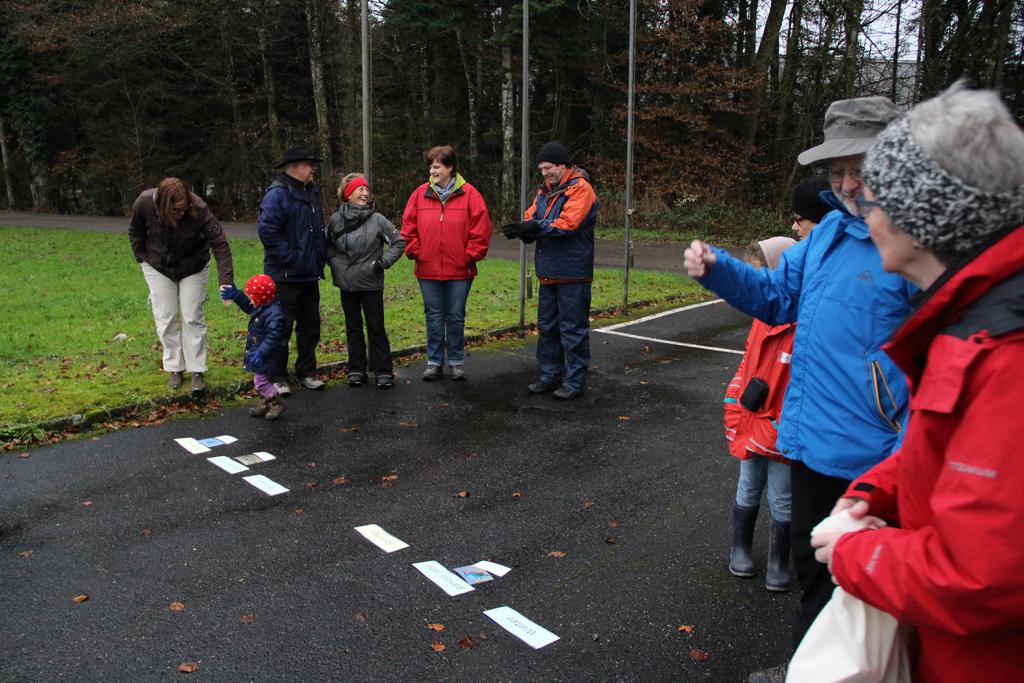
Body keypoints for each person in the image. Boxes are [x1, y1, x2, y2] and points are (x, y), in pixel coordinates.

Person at [683, 96, 916, 662]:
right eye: (837, 172)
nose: (847, 184)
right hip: (809, 443)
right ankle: (804, 669)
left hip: (877, 460)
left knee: (870, 597)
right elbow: (777, 297)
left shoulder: (915, 240)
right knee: (813, 579)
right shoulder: (829, 231)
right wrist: (719, 268)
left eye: (860, 169)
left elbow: (940, 363)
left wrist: (910, 456)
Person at [812, 83, 1024, 682]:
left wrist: (856, 553)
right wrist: (878, 488)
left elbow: (981, 578)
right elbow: (957, 451)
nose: (863, 211)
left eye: (876, 196)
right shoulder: (974, 320)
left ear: (923, 216)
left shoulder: (1006, 353)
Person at [724, 237, 796, 593]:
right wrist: (733, 402)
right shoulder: (761, 317)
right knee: (748, 483)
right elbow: (747, 360)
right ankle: (740, 548)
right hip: (752, 416)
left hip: (782, 425)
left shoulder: (802, 322)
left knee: (783, 494)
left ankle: (779, 561)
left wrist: (784, 422)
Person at [501, 141, 599, 400]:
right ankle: (549, 374)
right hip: (549, 270)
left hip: (573, 272)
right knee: (548, 327)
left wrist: (535, 227)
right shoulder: (545, 190)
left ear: (562, 165)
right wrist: (526, 230)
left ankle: (575, 381)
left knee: (572, 328)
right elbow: (532, 214)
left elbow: (568, 224)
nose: (545, 173)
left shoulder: (581, 189)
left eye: (548, 168)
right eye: (542, 169)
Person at [129, 177, 234, 395]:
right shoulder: (144, 203)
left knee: (192, 315)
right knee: (166, 316)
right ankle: (174, 367)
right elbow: (136, 232)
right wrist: (142, 257)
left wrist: (226, 282)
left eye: (184, 209)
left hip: (194, 265)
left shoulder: (199, 209)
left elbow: (220, 243)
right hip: (157, 265)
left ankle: (197, 370)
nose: (181, 213)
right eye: (176, 210)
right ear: (163, 205)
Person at [400, 145, 491, 381]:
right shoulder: (419, 194)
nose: (432, 171)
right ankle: (434, 362)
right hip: (428, 269)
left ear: (450, 167)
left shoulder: (470, 194)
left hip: (460, 270)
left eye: (437, 166)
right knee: (433, 316)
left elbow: (481, 230)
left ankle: (456, 363)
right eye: (431, 166)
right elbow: (408, 228)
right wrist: (416, 252)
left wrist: (468, 256)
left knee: (455, 316)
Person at [257, 145, 328, 394]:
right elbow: (267, 231)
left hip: (309, 274)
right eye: (309, 164)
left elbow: (315, 230)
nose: (313, 169)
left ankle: (306, 371)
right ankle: (277, 376)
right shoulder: (277, 194)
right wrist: (292, 259)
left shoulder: (312, 193)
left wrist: (319, 258)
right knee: (281, 328)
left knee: (310, 326)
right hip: (284, 276)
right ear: (295, 167)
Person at [327, 173, 406, 389]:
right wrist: (335, 263)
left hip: (371, 283)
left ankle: (383, 371)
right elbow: (328, 246)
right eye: (360, 189)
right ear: (348, 194)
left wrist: (382, 263)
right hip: (347, 284)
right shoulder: (335, 221)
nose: (365, 193)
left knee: (376, 327)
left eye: (366, 189)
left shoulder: (377, 219)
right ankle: (356, 369)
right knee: (353, 328)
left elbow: (399, 242)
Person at [219, 274, 288, 420]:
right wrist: (236, 295)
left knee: (260, 381)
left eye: (252, 297)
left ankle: (276, 402)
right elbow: (248, 306)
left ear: (260, 298)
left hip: (269, 355)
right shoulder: (263, 306)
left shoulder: (273, 315)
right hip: (262, 353)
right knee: (263, 379)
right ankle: (265, 404)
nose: (250, 300)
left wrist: (261, 353)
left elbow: (273, 337)